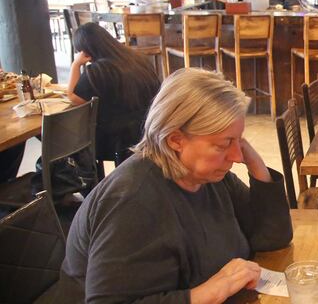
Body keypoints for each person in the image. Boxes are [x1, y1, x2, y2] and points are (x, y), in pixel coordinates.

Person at [55, 68, 293, 302]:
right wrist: (209, 292)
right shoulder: (130, 202)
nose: (237, 156)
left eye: (239, 140)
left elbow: (271, 237)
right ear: (176, 140)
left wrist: (255, 164)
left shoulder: (206, 176)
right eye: (223, 145)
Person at [67, 22, 160, 166]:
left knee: (75, 141)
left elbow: (73, 98)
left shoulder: (97, 71)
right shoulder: (138, 59)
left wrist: (75, 65)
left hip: (116, 140)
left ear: (85, 51)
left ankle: (91, 184)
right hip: (150, 130)